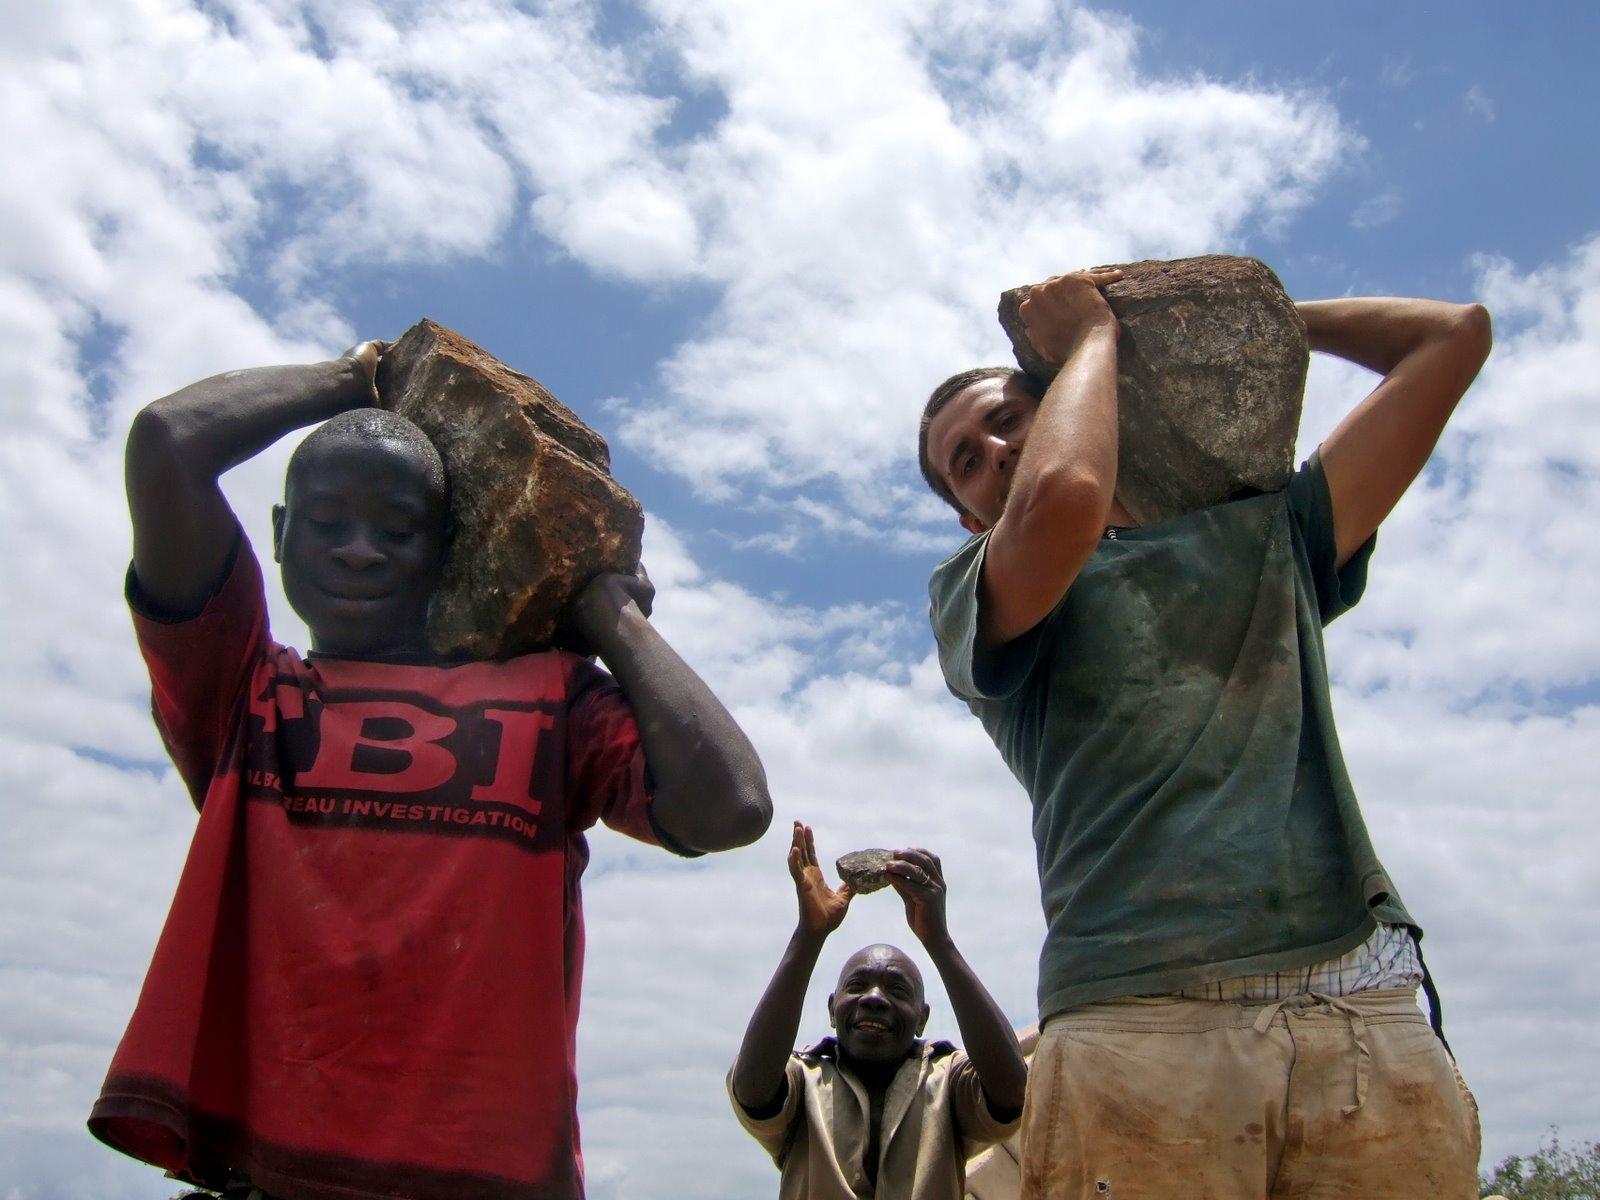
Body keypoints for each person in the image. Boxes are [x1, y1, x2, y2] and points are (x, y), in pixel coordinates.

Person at [88, 341, 773, 1200]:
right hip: (270, 1174)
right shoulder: (242, 690)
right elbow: (167, 444)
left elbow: (732, 807)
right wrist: (355, 379)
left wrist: (615, 623)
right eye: (329, 521)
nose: (362, 550)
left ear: (443, 546)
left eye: (399, 528)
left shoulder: (550, 694)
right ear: (280, 534)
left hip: (486, 1177)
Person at [918, 269, 1492, 1198]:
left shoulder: (1269, 538)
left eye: (1009, 418)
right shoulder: (977, 594)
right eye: (966, 462)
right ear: (965, 513)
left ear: (1074, 405)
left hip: (1357, 1004)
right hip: (1140, 1018)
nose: (992, 450)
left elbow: (1451, 339)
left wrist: (1230, 329)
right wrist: (1097, 340)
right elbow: (1066, 493)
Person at [728, 822, 1026, 1200]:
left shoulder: (948, 1080)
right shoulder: (804, 1079)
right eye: (856, 986)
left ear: (922, 1018)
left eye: (897, 990)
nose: (874, 998)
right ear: (833, 1011)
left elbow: (1012, 1093)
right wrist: (809, 935)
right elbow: (752, 1091)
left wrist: (940, 941)